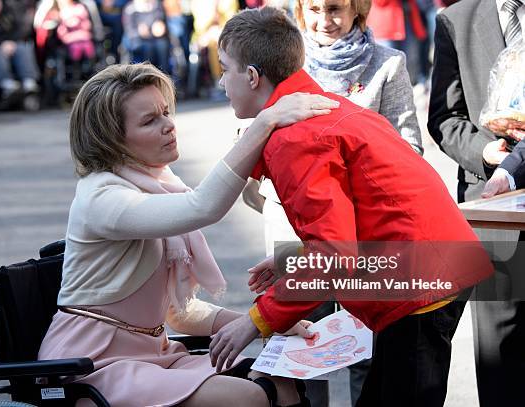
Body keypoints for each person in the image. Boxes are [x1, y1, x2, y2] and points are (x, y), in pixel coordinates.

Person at [207, 7, 493, 406]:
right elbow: (350, 218)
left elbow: (335, 255)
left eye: (226, 70)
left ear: (252, 76)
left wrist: (255, 322)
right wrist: (297, 259)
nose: (222, 82)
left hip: (419, 279)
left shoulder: (294, 137)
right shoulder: (316, 110)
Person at [36, 62, 339, 406]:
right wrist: (266, 122)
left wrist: (261, 322)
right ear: (110, 141)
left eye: (166, 112)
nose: (169, 126)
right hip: (92, 365)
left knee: (283, 381)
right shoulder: (101, 196)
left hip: (155, 354)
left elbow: (178, 312)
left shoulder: (158, 184)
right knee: (253, 396)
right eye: (150, 121)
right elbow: (203, 207)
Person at [241, 1, 422, 404]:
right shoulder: (283, 58)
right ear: (301, 11)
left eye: (336, 9)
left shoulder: (387, 63)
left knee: (366, 340)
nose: (325, 21)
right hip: (295, 220)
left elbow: (407, 147)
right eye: (315, 9)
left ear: (357, 10)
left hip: (366, 230)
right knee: (304, 337)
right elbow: (252, 140)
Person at [427, 1, 525, 405]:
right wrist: (488, 152)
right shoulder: (457, 20)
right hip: (493, 210)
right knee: (500, 354)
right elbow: (445, 118)